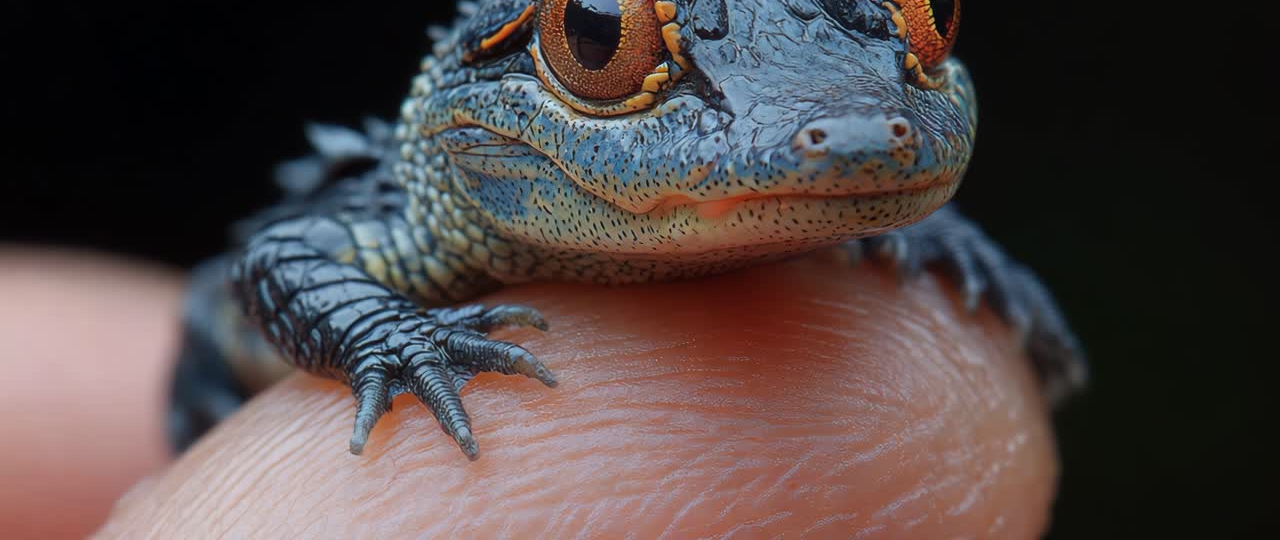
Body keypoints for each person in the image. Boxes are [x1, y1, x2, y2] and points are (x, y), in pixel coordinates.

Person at [0, 248, 1058, 538]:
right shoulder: (389, 221)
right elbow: (268, 272)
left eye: (923, 18)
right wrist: (385, 332)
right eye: (601, 39)